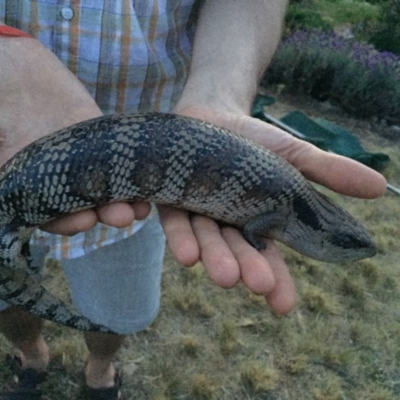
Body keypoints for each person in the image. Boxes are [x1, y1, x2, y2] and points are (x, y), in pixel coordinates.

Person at [0, 1, 386, 399]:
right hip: (19, 144)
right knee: (7, 284)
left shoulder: (289, 204)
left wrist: (222, 91)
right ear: (323, 232)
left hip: (120, 181)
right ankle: (30, 354)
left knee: (115, 309)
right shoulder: (284, 210)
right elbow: (256, 224)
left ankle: (100, 368)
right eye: (344, 242)